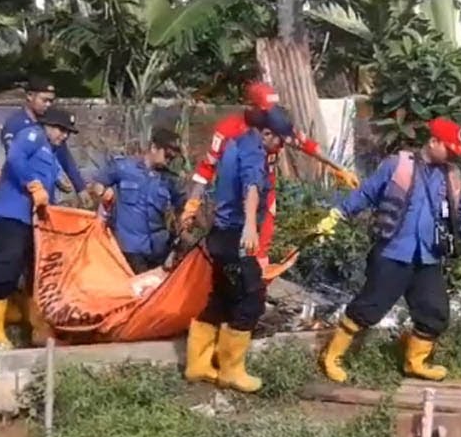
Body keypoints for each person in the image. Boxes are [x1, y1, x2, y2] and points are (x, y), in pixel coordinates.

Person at [312, 118, 461, 383]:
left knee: (434, 312)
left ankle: (414, 362)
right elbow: (366, 193)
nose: (451, 156)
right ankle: (331, 356)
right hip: (393, 253)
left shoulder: (449, 176)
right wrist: (336, 215)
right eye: (448, 149)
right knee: (369, 307)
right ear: (434, 142)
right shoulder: (398, 165)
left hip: (427, 257)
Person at [181, 81, 360, 266]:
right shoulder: (228, 131)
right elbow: (206, 169)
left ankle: (258, 272)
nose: (271, 115)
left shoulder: (276, 126)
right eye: (266, 111)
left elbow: (307, 145)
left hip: (265, 197)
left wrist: (339, 168)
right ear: (250, 106)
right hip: (234, 198)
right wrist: (192, 204)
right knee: (228, 247)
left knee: (260, 248)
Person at [182, 105, 294, 393]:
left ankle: (197, 364)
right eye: (280, 140)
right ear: (266, 133)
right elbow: (252, 188)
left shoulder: (233, 144)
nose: (281, 147)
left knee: (221, 298)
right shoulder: (254, 152)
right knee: (251, 299)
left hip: (220, 235)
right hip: (236, 237)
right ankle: (231, 370)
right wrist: (250, 226)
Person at [0, 104, 79, 350]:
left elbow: (59, 175)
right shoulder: (32, 135)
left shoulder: (50, 150)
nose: (64, 136)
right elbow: (15, 157)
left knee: (35, 274)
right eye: (61, 130)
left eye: (67, 132)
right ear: (48, 125)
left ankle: (35, 327)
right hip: (12, 215)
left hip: (34, 223)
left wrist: (63, 182)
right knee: (5, 268)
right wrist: (33, 184)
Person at [88, 128, 185, 273]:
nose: (169, 160)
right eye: (167, 155)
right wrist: (103, 193)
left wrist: (180, 235)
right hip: (129, 250)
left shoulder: (170, 181)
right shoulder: (124, 167)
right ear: (154, 148)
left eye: (172, 158)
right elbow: (96, 184)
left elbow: (183, 208)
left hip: (159, 251)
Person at [0, 77, 85, 196]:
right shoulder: (16, 124)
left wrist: (80, 188)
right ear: (30, 96)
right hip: (21, 191)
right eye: (44, 100)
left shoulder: (51, 125)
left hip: (45, 193)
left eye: (51, 101)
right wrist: (35, 185)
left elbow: (64, 157)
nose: (48, 105)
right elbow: (15, 158)